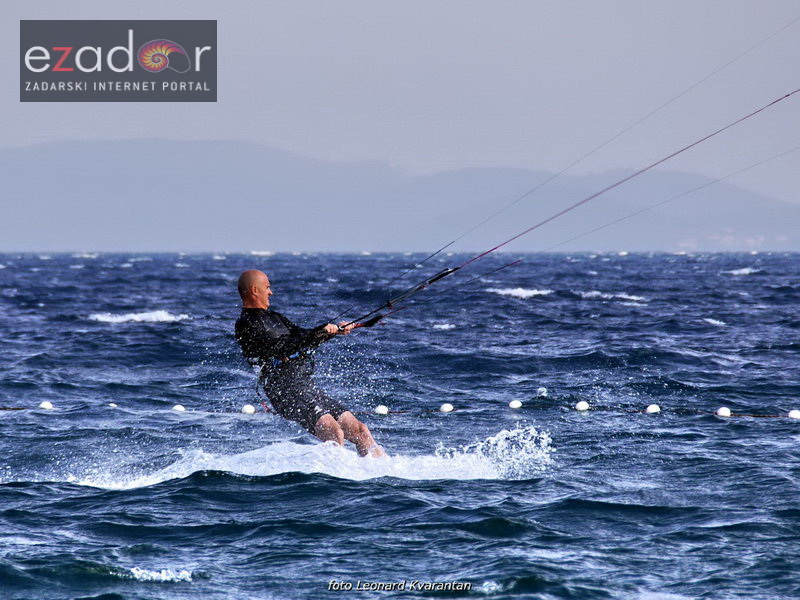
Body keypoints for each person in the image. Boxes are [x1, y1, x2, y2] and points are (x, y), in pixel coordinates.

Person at [234, 269, 386, 458]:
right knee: (333, 431)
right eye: (267, 287)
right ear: (255, 290)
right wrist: (321, 332)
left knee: (360, 430)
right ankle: (334, 475)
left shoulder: (276, 317)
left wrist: (334, 331)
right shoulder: (246, 324)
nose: (271, 292)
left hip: (306, 387)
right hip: (284, 392)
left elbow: (302, 336)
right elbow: (280, 347)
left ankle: (380, 471)